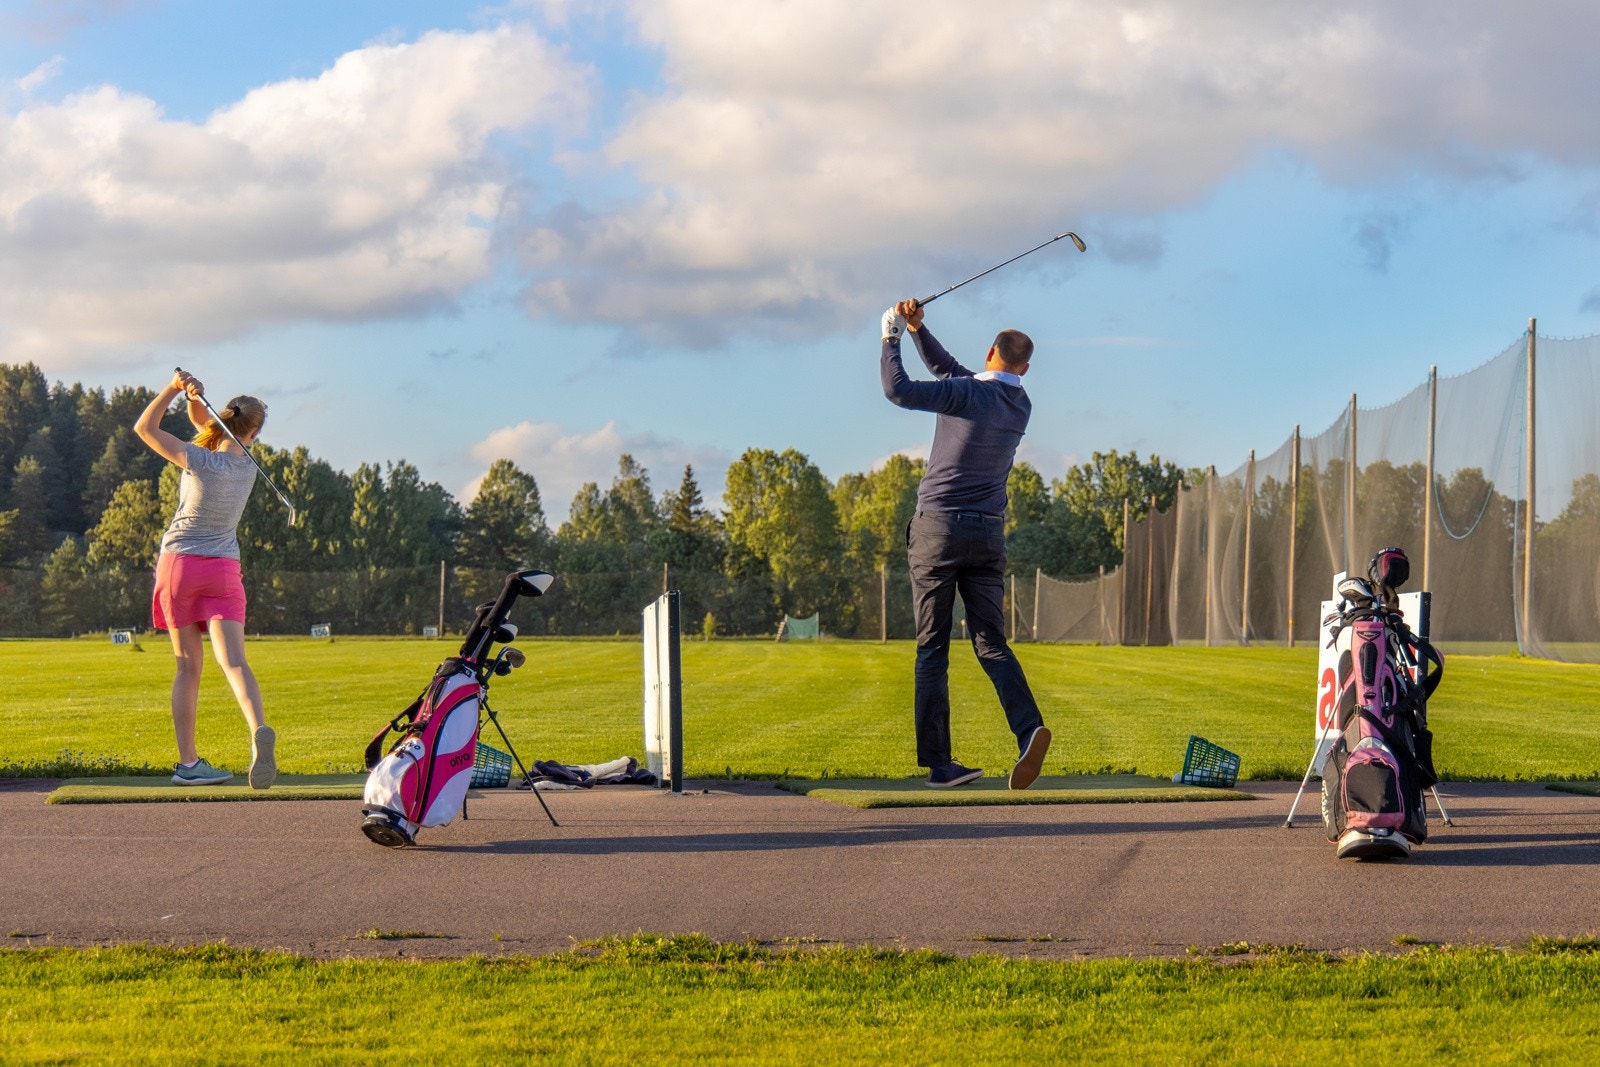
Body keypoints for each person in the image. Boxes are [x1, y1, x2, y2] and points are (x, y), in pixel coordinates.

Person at [880, 299, 1051, 789]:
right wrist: (919, 330)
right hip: (987, 533)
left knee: (932, 648)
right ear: (1025, 367)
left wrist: (890, 334)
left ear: (989, 352)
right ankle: (1028, 729)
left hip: (938, 530)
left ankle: (940, 764)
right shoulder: (1019, 403)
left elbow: (899, 390)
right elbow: (951, 370)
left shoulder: (967, 395)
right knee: (990, 642)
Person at [133, 371, 276, 789]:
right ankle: (257, 733)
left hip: (180, 566)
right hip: (224, 571)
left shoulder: (200, 459)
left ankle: (189, 764)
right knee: (234, 662)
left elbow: (146, 428)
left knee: (187, 669)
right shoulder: (248, 467)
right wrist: (197, 399)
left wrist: (175, 390)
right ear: (255, 432)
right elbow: (207, 425)